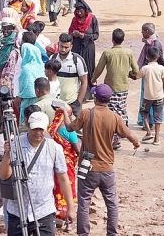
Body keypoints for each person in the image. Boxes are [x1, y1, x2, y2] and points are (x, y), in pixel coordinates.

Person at [62, 84, 140, 236]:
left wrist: (64, 112)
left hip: (88, 168)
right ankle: (112, 233)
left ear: (95, 98)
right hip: (107, 168)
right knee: (112, 204)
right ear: (109, 100)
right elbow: (129, 134)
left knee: (84, 202)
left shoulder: (86, 113)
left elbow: (69, 127)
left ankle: (83, 234)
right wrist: (136, 143)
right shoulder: (114, 117)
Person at [0, 111, 75, 236]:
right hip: (18, 210)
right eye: (35, 129)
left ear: (46, 128)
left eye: (41, 129)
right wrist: (8, 154)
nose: (38, 133)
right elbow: (4, 175)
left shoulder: (54, 148)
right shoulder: (16, 145)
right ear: (28, 127)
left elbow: (63, 178)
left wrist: (70, 207)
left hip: (44, 210)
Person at [91, 28, 139, 148]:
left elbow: (99, 69)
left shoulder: (107, 53)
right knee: (121, 109)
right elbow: (136, 71)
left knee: (112, 112)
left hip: (109, 88)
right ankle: (121, 134)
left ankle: (114, 138)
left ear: (112, 39)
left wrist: (93, 79)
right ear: (123, 39)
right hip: (123, 87)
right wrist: (129, 74)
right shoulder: (128, 52)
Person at [138, 46, 164, 145]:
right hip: (159, 96)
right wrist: (163, 92)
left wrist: (129, 74)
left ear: (147, 57)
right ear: (158, 56)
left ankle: (149, 132)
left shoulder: (145, 68)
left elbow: (137, 76)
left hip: (147, 97)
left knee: (144, 112)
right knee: (158, 117)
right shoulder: (161, 68)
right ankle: (157, 138)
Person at [68, 0, 98, 91]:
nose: (79, 13)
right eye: (77, 11)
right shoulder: (74, 20)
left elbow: (96, 35)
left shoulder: (92, 19)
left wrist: (84, 36)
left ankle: (89, 89)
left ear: (85, 10)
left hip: (88, 48)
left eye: (81, 11)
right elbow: (69, 33)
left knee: (88, 67)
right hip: (77, 47)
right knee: (77, 67)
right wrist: (73, 34)